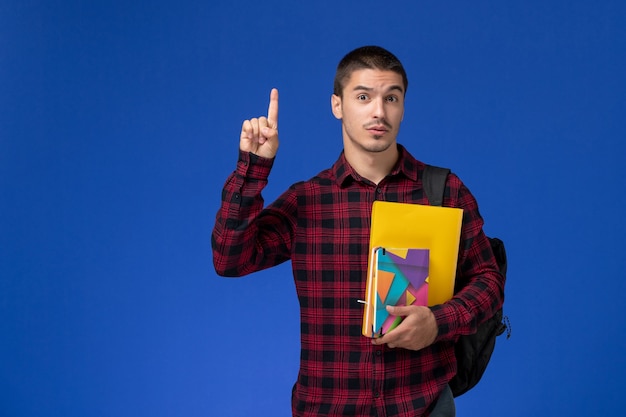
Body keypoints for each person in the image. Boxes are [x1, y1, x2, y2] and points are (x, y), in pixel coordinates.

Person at [212, 45, 504, 417]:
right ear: (337, 105)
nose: (378, 111)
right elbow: (228, 259)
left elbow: (488, 282)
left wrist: (437, 322)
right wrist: (253, 167)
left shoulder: (445, 191)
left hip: (424, 406)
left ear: (402, 106)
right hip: (327, 408)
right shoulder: (307, 200)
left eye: (391, 97)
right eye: (363, 96)